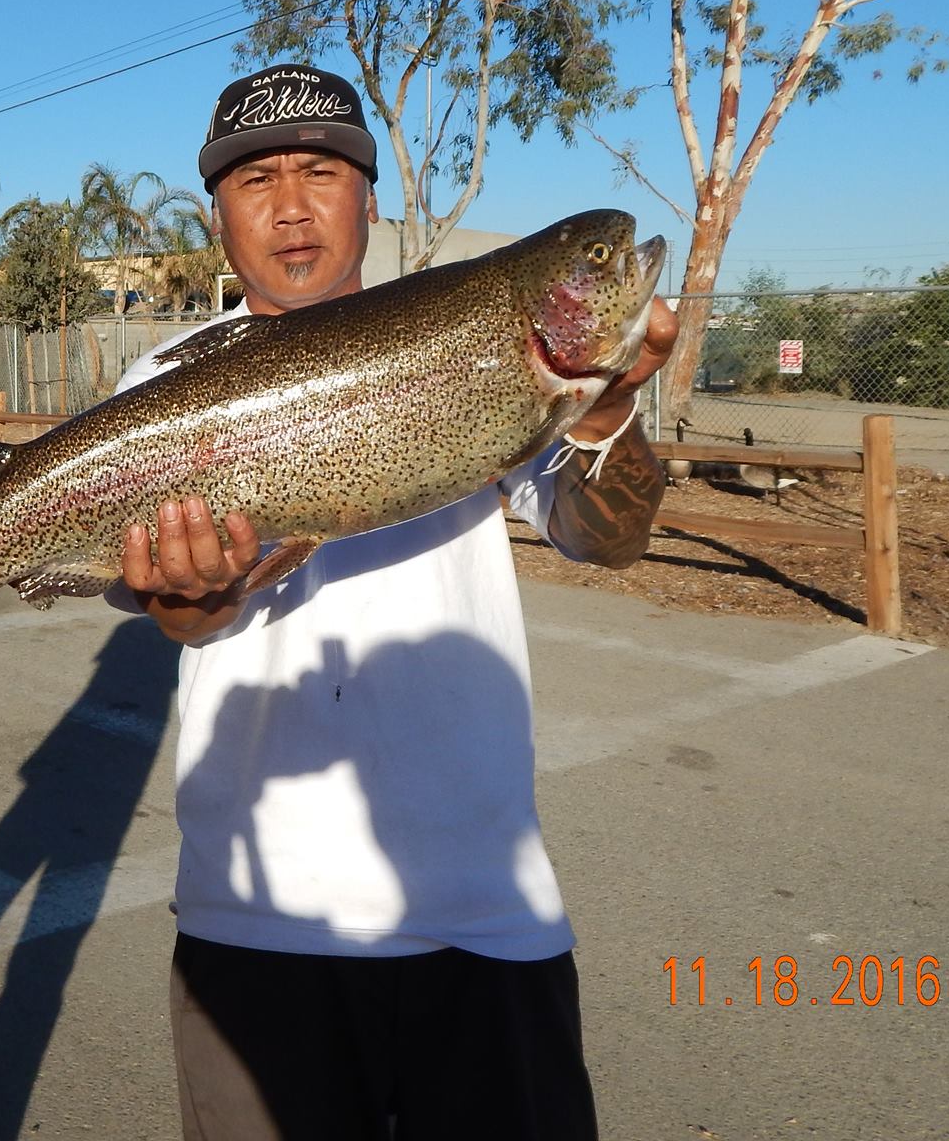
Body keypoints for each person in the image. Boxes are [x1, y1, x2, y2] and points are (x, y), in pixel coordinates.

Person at [111, 63, 676, 1141]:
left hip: (483, 916)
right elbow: (172, 618)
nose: (288, 206)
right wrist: (189, 597)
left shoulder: (477, 334)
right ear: (215, 214)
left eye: (320, 173)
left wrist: (604, 414)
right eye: (254, 180)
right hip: (254, 920)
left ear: (367, 199)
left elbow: (609, 539)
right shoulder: (161, 384)